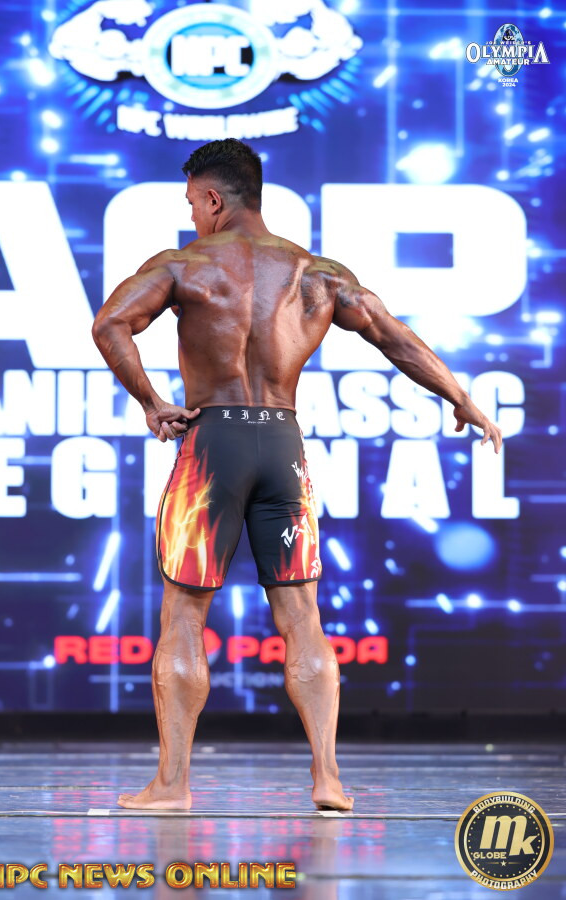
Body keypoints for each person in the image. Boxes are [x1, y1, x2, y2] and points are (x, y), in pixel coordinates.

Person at [91, 138, 502, 811]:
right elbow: (395, 335)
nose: (191, 214)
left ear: (214, 198)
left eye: (192, 201)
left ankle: (171, 785)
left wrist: (152, 402)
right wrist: (460, 396)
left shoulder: (184, 265)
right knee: (302, 614)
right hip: (284, 446)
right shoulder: (318, 273)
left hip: (212, 445)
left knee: (184, 613)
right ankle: (328, 778)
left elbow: (110, 324)